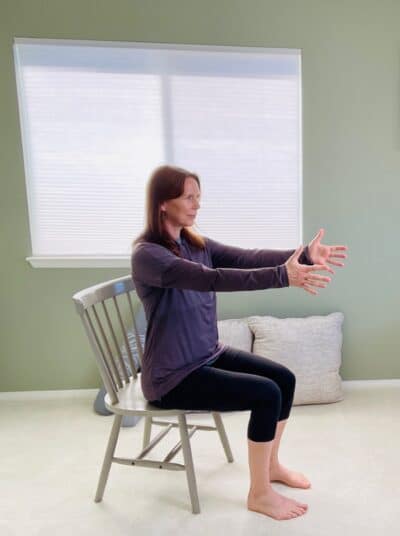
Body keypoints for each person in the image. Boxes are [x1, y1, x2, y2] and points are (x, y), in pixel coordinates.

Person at [131, 165, 348, 521]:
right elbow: (210, 279)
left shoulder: (194, 243)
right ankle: (259, 493)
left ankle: (272, 467)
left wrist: (304, 255)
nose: (197, 205)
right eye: (189, 197)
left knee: (284, 380)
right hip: (171, 376)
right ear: (163, 204)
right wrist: (283, 276)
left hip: (205, 355)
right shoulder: (149, 256)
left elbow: (246, 257)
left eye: (198, 197)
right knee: (267, 394)